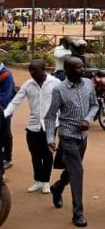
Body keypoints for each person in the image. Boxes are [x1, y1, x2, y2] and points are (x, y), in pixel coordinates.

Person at [45, 57, 98, 227]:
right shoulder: (59, 90)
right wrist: (50, 138)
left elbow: (95, 105)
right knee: (77, 172)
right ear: (67, 70)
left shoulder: (88, 84)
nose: (82, 70)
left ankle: (57, 187)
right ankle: (78, 214)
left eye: (83, 66)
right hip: (68, 135)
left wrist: (88, 120)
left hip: (83, 136)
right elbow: (51, 116)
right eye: (78, 68)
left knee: (71, 170)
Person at [4, 60, 58, 193]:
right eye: (30, 70)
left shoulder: (55, 83)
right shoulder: (28, 85)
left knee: (47, 154)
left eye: (35, 70)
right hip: (33, 125)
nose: (32, 73)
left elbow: (63, 101)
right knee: (35, 154)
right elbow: (15, 102)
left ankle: (45, 181)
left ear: (43, 69)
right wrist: (5, 114)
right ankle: (37, 180)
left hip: (50, 125)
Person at [0, 63, 14, 169]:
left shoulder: (6, 74)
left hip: (4, 109)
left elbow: (6, 95)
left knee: (5, 133)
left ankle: (8, 158)